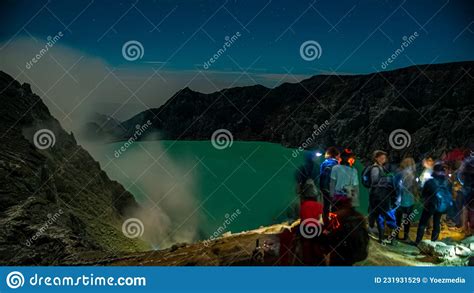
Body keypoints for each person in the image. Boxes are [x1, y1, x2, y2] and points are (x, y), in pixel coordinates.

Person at [415, 162, 453, 244]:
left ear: (434, 171)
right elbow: (450, 193)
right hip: (441, 206)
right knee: (437, 222)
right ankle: (434, 242)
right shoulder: (448, 182)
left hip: (430, 204)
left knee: (423, 222)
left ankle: (418, 241)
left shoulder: (430, 181)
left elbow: (423, 194)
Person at [367, 150, 397, 243]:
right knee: (388, 216)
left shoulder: (380, 168)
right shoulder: (375, 168)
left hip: (380, 196)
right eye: (382, 157)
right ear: (376, 158)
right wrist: (387, 180)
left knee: (381, 217)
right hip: (379, 197)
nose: (384, 159)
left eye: (385, 158)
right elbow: (375, 182)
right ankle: (389, 239)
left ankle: (383, 239)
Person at [395, 157, 418, 242]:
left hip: (399, 200)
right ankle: (405, 236)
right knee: (407, 219)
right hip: (410, 199)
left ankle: (396, 235)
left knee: (398, 218)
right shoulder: (413, 174)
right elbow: (415, 187)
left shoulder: (399, 173)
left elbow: (395, 185)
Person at [319, 147, 340, 223]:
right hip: (332, 190)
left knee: (326, 207)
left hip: (324, 188)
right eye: (338, 155)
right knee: (335, 207)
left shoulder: (324, 163)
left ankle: (326, 223)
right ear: (335, 155)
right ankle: (333, 224)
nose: (339, 157)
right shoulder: (334, 164)